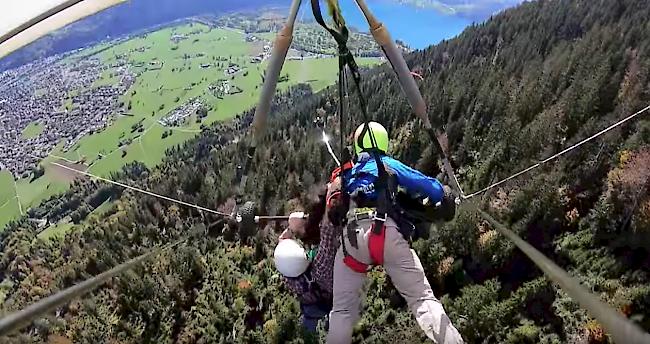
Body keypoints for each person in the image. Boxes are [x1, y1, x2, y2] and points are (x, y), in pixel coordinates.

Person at [326, 121, 464, 344]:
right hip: (384, 232)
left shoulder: (346, 175)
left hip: (351, 240)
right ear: (382, 143)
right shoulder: (386, 164)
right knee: (421, 298)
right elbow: (431, 188)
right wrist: (445, 197)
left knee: (341, 311)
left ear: (358, 147)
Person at [273, 185, 340, 334]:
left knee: (308, 329)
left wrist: (292, 228)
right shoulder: (321, 267)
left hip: (312, 307)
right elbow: (328, 232)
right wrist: (331, 191)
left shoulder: (289, 276)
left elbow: (282, 247)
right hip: (332, 301)